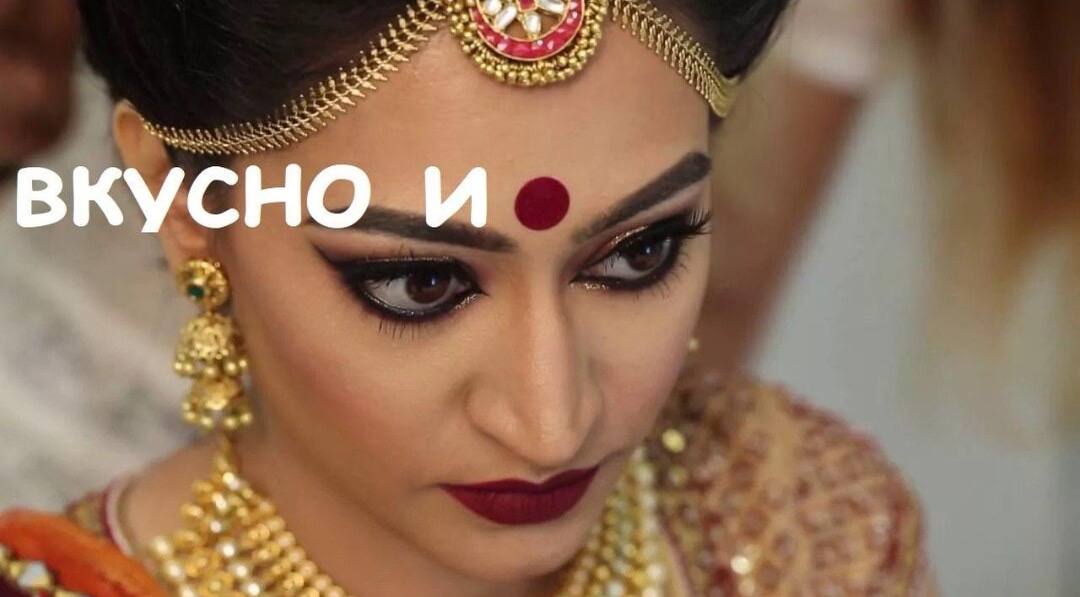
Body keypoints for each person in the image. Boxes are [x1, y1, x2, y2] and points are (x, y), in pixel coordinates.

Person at [0, 1, 931, 596]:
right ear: (182, 203)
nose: (552, 423)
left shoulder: (809, 528)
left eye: (639, 253)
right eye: (422, 283)